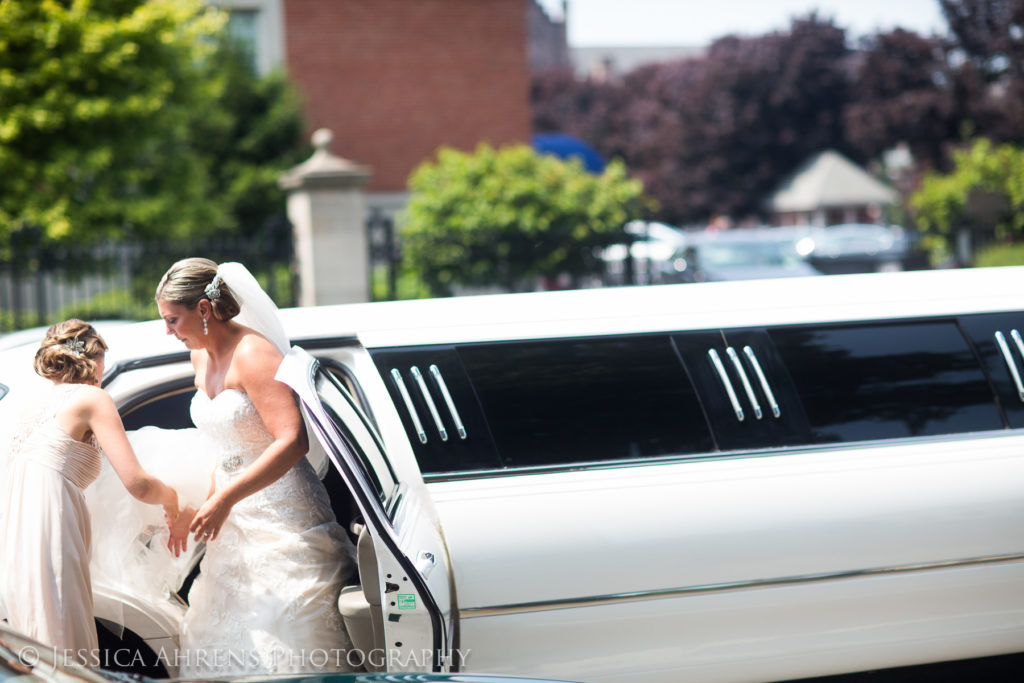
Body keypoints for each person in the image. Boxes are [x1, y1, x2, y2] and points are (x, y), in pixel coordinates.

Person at [155, 258, 356, 676]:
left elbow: (292, 440)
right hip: (233, 519)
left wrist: (227, 498)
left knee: (284, 634)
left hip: (281, 511)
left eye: (174, 320)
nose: (168, 331)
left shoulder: (254, 353)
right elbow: (224, 448)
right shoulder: (200, 360)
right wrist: (203, 506)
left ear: (204, 310)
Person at [0, 319, 179, 661]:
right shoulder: (92, 398)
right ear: (92, 359)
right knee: (64, 639)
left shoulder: (33, 404)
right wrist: (170, 499)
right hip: (54, 532)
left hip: (20, 540)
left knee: (39, 646)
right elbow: (137, 483)